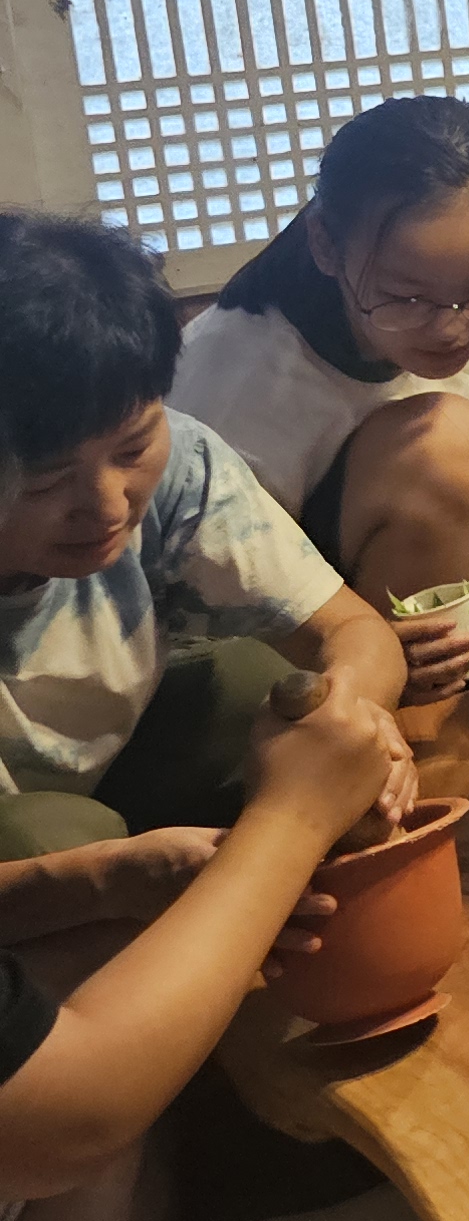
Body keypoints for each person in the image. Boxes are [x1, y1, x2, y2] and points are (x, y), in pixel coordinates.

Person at [0, 661, 416, 1221]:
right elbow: (65, 1120)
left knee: (111, 943)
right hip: (43, 1141)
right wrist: (293, 817)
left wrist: (99, 880)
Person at [0, 213, 414, 862]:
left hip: (114, 768)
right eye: (48, 483)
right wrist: (96, 881)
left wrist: (353, 724)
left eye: (133, 448)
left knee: (259, 682)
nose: (108, 505)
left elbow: (353, 632)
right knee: (48, 837)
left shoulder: (182, 467)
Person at [174, 97, 469, 699]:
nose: (451, 328)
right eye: (406, 298)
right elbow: (204, 602)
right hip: (272, 639)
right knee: (448, 448)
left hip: (415, 610)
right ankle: (389, 707)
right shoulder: (236, 374)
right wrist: (363, 651)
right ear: (326, 245)